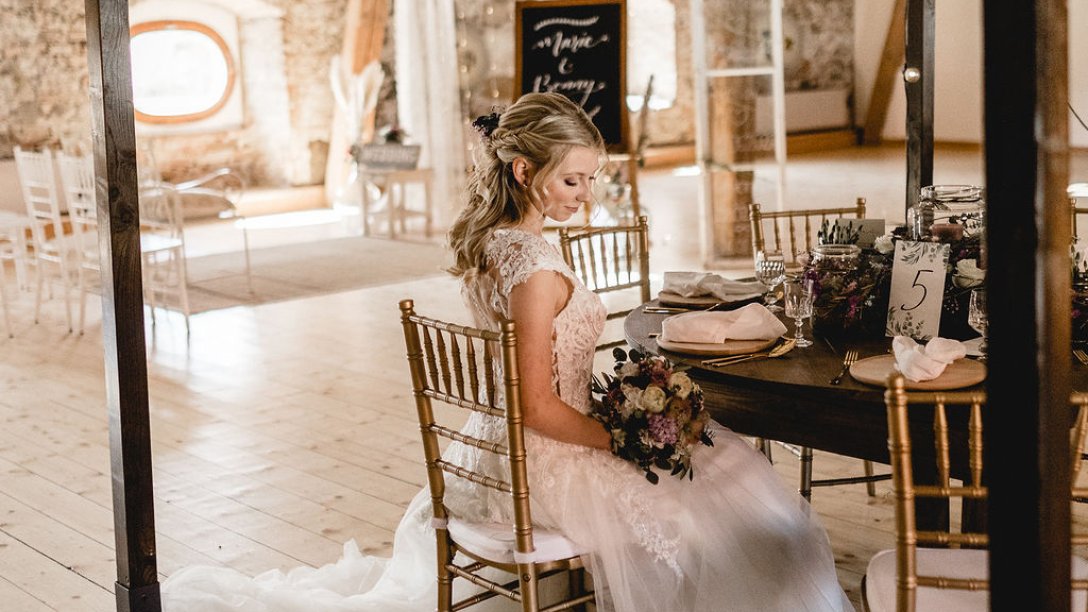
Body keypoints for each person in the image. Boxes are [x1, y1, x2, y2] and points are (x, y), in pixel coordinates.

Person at [161, 92, 853, 611]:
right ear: (525, 170)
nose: (587, 194)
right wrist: (624, 441)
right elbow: (538, 407)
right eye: (572, 180)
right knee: (730, 485)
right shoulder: (534, 268)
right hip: (542, 456)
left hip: (493, 449)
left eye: (592, 178)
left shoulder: (500, 241)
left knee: (718, 466)